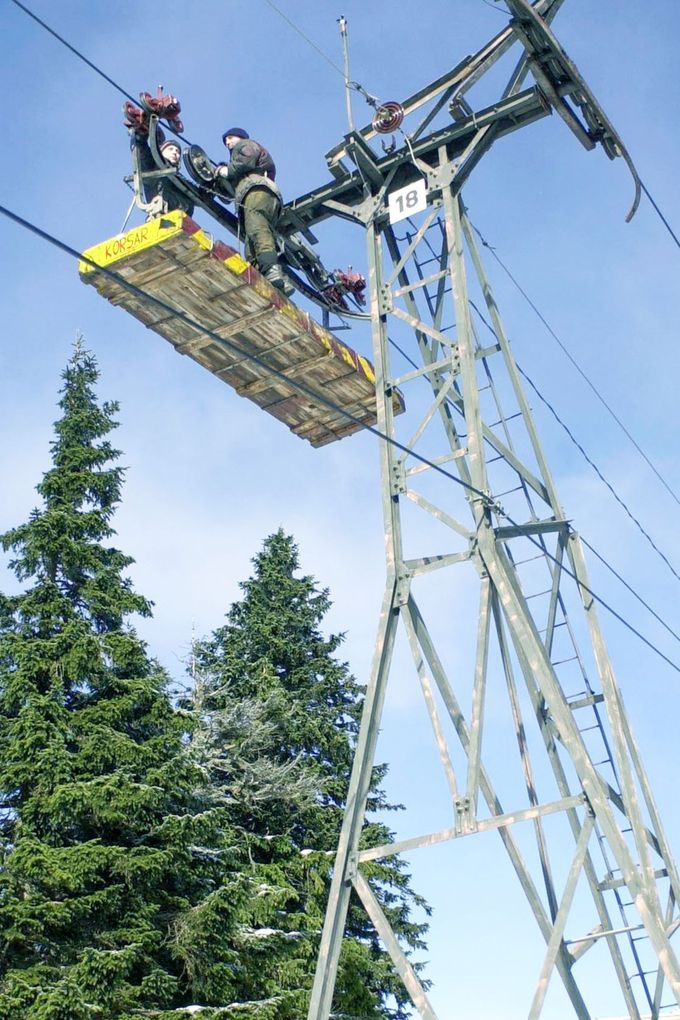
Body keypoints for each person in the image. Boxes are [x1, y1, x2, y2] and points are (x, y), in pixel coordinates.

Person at [216, 128, 292, 294]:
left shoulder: (245, 145)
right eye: (226, 141)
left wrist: (226, 170)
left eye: (230, 138)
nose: (228, 143)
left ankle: (271, 270)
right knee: (252, 241)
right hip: (264, 196)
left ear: (240, 137)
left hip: (256, 191)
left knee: (257, 228)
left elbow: (247, 158)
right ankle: (268, 279)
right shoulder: (243, 168)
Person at [129, 128, 194, 218]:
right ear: (161, 152)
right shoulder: (153, 166)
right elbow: (142, 151)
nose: (175, 153)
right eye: (170, 149)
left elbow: (203, 197)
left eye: (177, 151)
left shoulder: (182, 179)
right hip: (160, 215)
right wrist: (141, 135)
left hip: (182, 221)